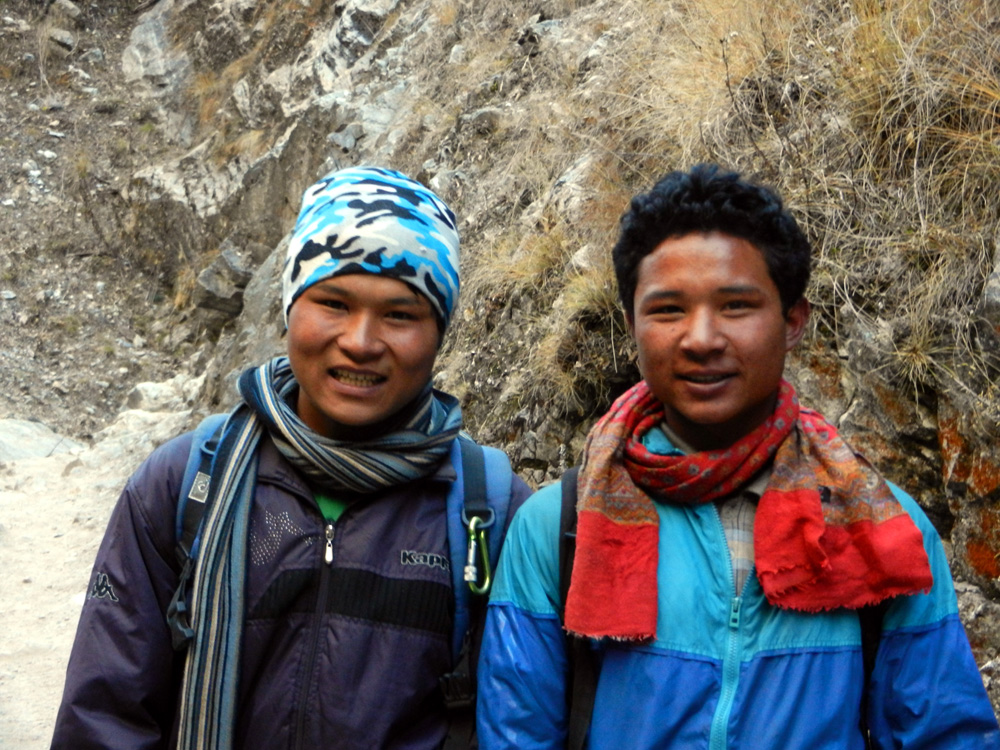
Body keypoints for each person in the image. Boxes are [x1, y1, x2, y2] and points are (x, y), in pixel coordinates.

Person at [477, 164, 1000, 749]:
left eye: (736, 306)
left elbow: (947, 736)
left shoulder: (883, 533)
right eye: (667, 309)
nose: (701, 338)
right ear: (631, 326)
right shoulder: (560, 528)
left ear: (793, 321)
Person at [51, 166, 532, 749]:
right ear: (288, 308)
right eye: (332, 302)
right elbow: (106, 718)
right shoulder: (185, 486)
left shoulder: (490, 512)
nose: (360, 340)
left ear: (439, 333)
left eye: (400, 314)